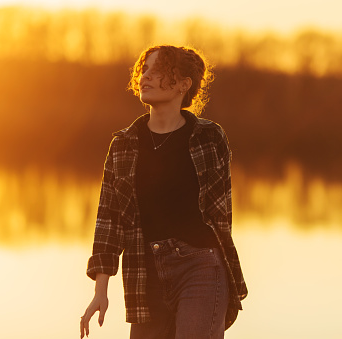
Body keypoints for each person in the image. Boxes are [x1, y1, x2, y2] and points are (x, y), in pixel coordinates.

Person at [80, 45, 247, 339]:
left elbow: (221, 216)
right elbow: (109, 220)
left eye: (158, 71)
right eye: (144, 70)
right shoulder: (124, 144)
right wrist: (100, 291)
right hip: (146, 272)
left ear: (184, 84)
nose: (146, 77)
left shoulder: (209, 137)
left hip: (200, 267)